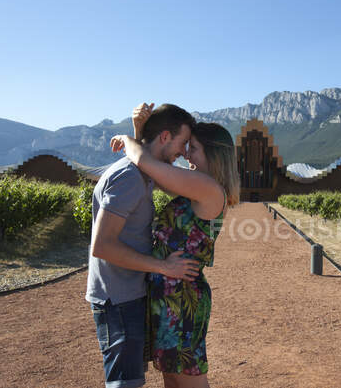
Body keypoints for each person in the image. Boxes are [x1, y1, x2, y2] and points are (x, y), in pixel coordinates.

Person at [111, 103, 240, 388]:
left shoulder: (208, 189)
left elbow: (148, 164)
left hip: (182, 299)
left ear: (213, 154)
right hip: (170, 295)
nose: (185, 153)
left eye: (192, 148)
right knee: (172, 376)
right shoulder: (196, 185)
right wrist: (140, 133)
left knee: (188, 379)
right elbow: (152, 172)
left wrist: (130, 139)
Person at [86, 104, 201, 388]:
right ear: (164, 136)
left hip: (127, 294)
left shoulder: (143, 174)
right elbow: (102, 246)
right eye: (182, 143)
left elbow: (146, 157)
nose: (183, 152)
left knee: (131, 380)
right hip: (118, 298)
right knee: (125, 384)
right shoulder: (129, 177)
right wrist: (164, 266)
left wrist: (135, 134)